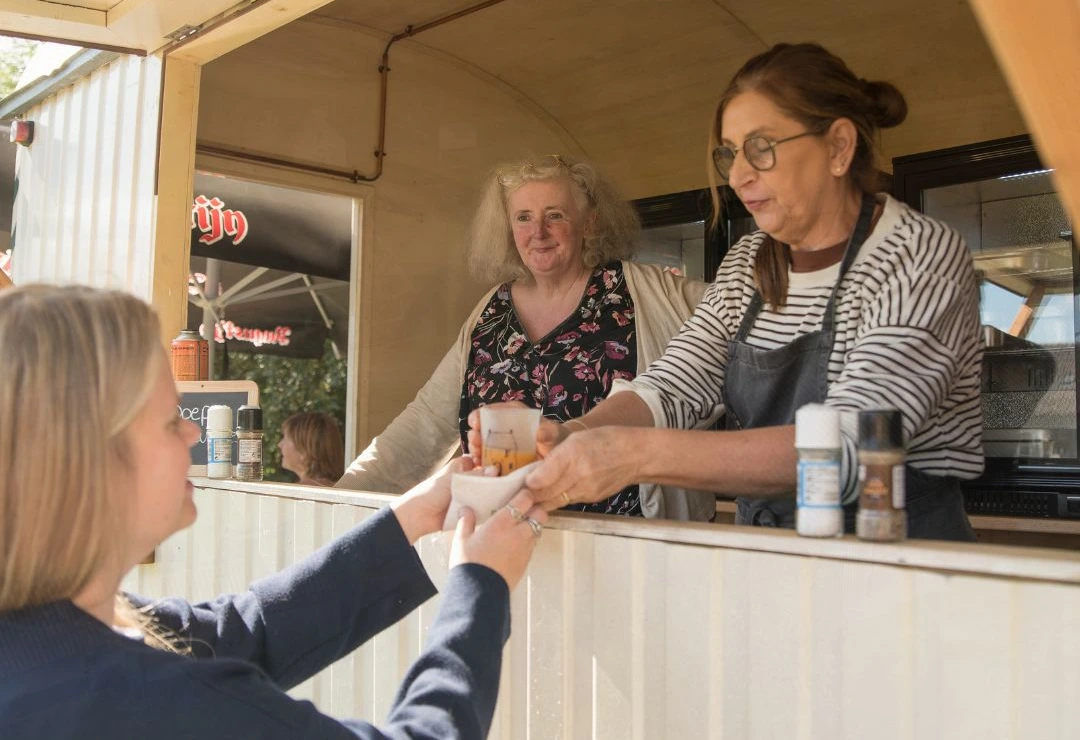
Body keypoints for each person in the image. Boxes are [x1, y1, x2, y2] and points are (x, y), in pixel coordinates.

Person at [473, 43, 983, 541]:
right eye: (730, 154)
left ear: (838, 147)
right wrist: (571, 435)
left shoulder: (917, 253)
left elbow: (853, 444)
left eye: (762, 149)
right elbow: (673, 386)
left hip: (899, 562)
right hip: (770, 555)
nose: (739, 175)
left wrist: (631, 455)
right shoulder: (748, 264)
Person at [0, 284, 548, 739]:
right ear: (89, 465)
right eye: (171, 420)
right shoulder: (159, 704)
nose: (194, 432)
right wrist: (481, 584)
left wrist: (409, 519)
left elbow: (241, 631)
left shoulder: (51, 635)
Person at [338, 154, 714, 521]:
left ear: (590, 222)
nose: (538, 232)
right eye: (523, 218)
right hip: (501, 537)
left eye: (555, 215)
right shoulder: (491, 311)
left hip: (626, 545)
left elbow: (738, 315)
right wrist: (341, 495)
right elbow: (427, 423)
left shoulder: (645, 293)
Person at [280, 411, 345, 486]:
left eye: (285, 438)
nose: (280, 445)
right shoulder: (339, 487)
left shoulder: (300, 492)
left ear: (305, 450)